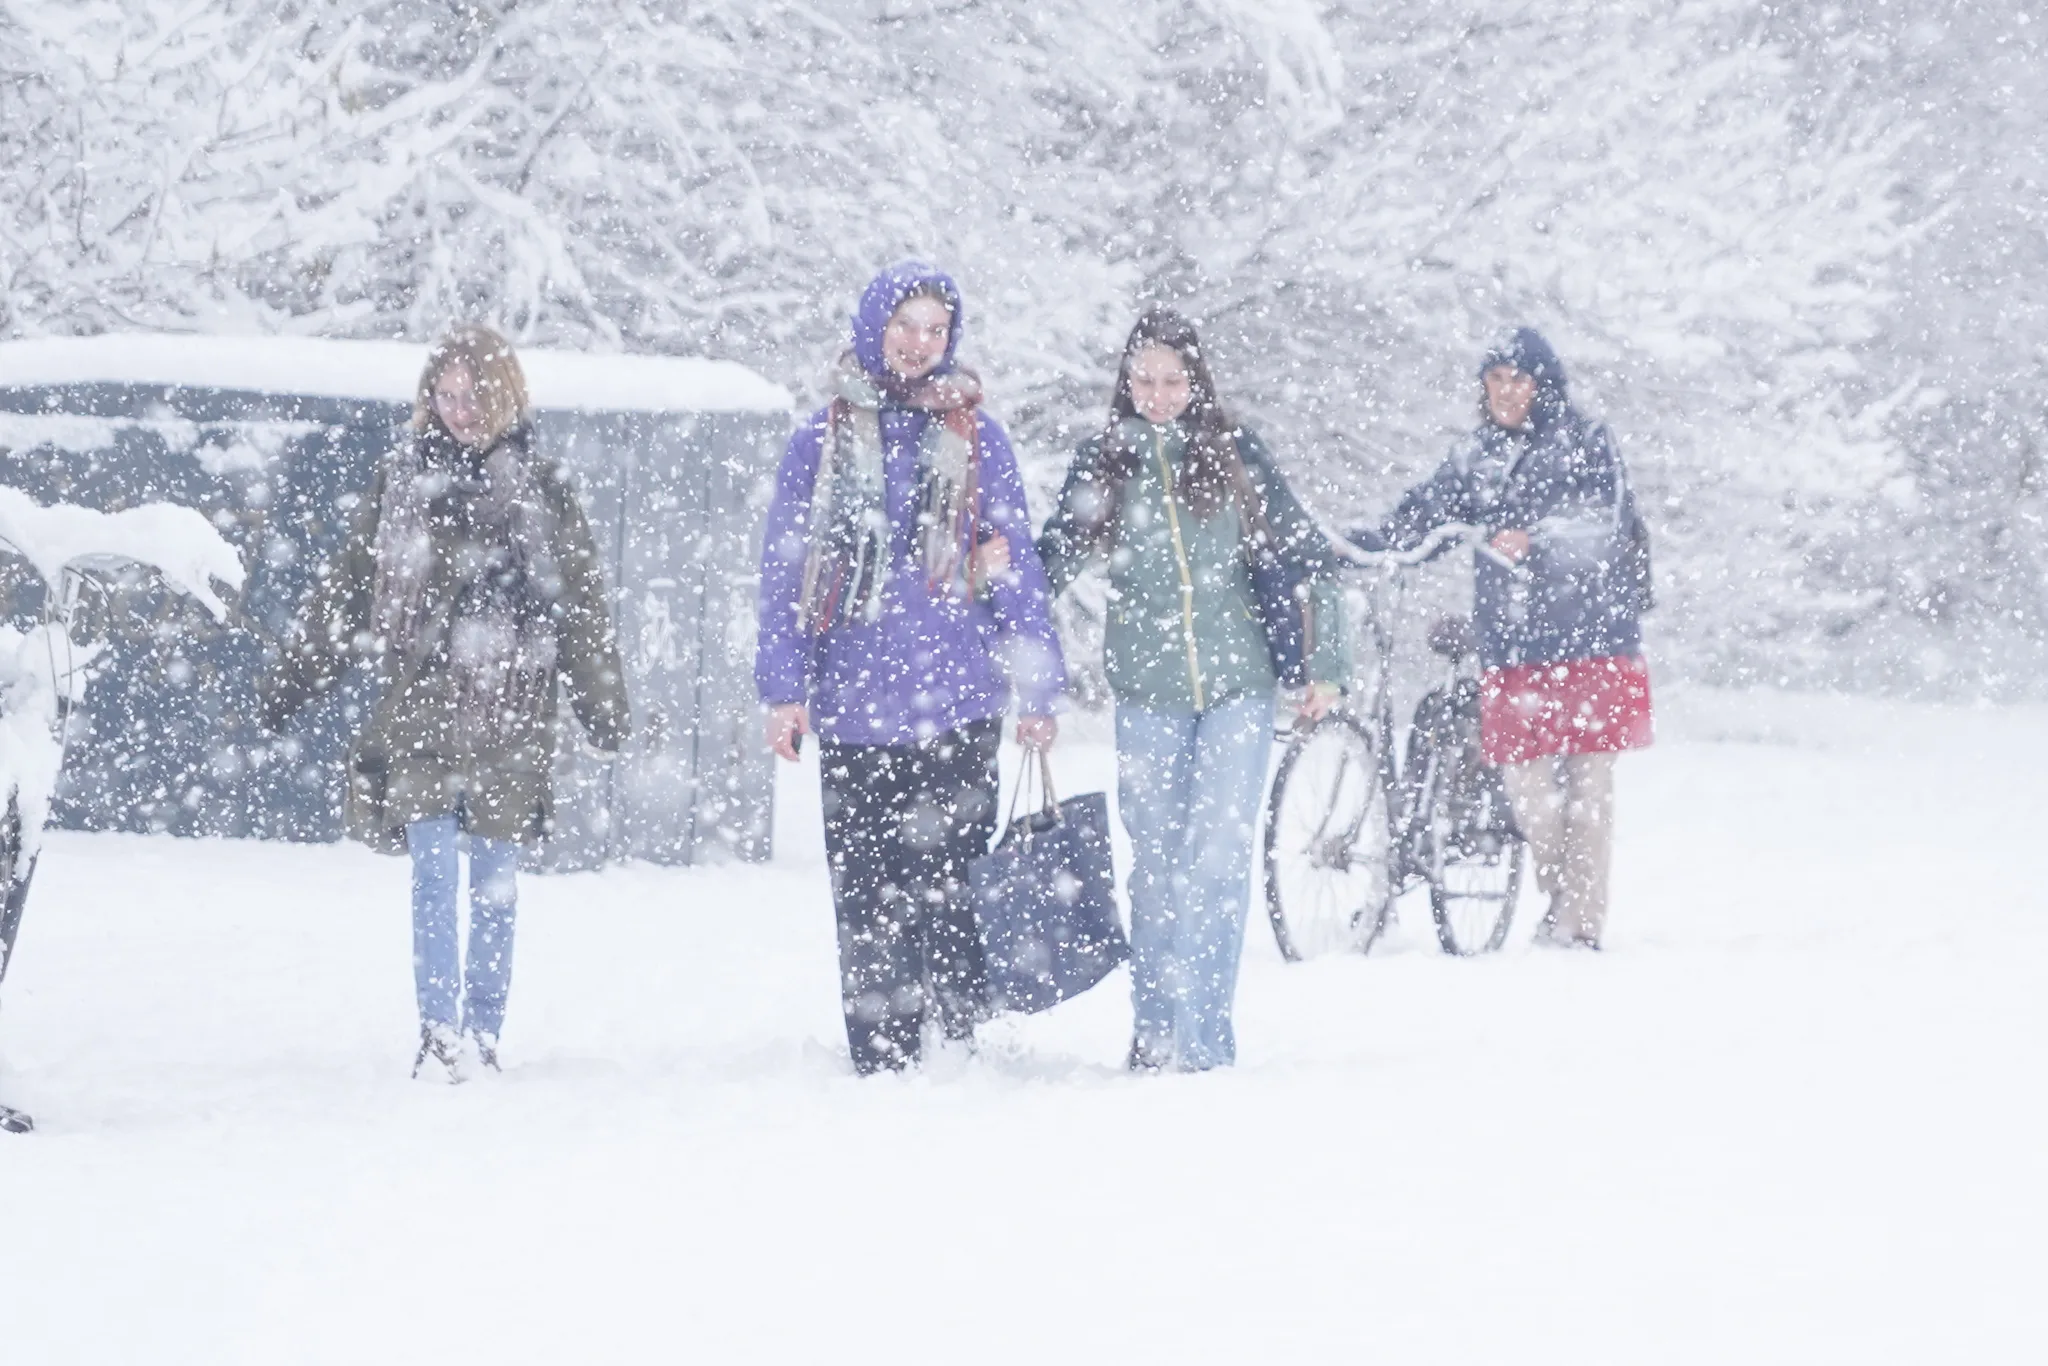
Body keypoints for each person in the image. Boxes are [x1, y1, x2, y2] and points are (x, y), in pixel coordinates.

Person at [261, 326, 629, 1079]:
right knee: (432, 873)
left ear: (507, 396)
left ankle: (483, 1035)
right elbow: (349, 585)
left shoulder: (545, 489)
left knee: (494, 881)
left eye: (476, 396)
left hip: (512, 711)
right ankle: (439, 1034)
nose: (461, 411)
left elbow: (582, 606)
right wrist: (291, 681)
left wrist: (603, 708)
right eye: (447, 395)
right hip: (423, 708)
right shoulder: (402, 482)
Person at [755, 261, 1066, 1076]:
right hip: (856, 705)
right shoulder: (819, 443)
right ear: (872, 328)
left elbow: (1015, 565)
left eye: (935, 329)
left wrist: (1038, 685)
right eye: (904, 326)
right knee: (867, 897)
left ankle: (957, 1046)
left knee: (953, 887)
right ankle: (882, 1057)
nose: (919, 344)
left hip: (957, 700)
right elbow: (786, 576)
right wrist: (785, 690)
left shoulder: (977, 437)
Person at [1025, 306, 1347, 1072]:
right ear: (1125, 382)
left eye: (1174, 380)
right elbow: (1045, 574)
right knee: (1158, 862)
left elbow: (1313, 559)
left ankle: (1205, 1043)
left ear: (1198, 383)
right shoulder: (1105, 464)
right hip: (1148, 689)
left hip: (1239, 684)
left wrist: (1327, 662)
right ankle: (1154, 1032)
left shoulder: (1237, 458)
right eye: (1144, 379)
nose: (1159, 394)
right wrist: (989, 582)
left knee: (1217, 859)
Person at [1351, 327, 1652, 950]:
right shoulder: (1477, 454)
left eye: (1519, 379)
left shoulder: (1587, 442)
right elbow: (1427, 509)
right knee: (1529, 791)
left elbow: (1605, 519)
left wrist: (1537, 539)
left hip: (1591, 636)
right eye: (1495, 380)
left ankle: (1578, 921)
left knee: (1588, 788)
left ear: (1544, 385)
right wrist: (1372, 545)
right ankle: (1562, 897)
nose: (1506, 392)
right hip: (1516, 644)